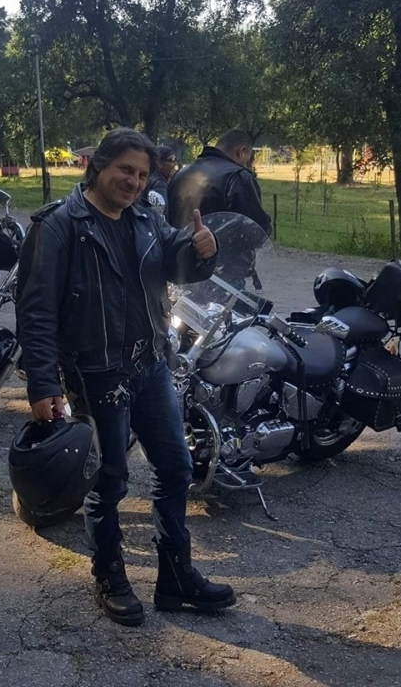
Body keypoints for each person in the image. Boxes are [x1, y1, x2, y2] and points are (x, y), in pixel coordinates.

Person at [15, 128, 236, 627]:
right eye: (125, 170)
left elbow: (176, 262)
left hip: (150, 365)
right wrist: (43, 384)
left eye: (141, 174)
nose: (134, 182)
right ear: (98, 165)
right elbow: (36, 311)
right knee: (108, 479)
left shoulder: (145, 218)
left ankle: (175, 577)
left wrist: (203, 248)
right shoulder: (59, 226)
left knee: (176, 468)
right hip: (96, 374)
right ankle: (110, 576)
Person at [167, 129, 272, 235]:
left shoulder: (179, 174)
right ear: (241, 152)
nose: (245, 165)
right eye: (246, 161)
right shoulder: (238, 176)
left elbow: (167, 223)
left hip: (179, 244)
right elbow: (256, 230)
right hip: (221, 245)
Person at [141, 144, 178, 214]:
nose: (174, 164)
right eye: (171, 160)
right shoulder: (159, 184)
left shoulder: (148, 177)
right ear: (159, 163)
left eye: (175, 160)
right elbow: (161, 214)